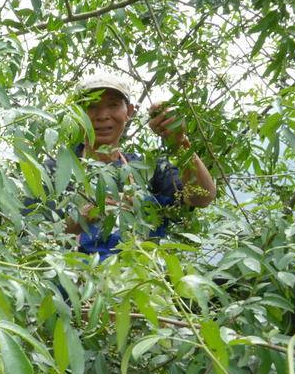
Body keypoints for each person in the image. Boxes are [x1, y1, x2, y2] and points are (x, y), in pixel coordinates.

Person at [35, 72, 217, 258]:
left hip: (140, 281)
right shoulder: (54, 172)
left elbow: (202, 197)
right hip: (74, 282)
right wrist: (78, 221)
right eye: (91, 106)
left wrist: (178, 141)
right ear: (77, 113)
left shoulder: (147, 168)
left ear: (129, 112)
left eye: (113, 105)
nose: (102, 116)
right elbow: (31, 243)